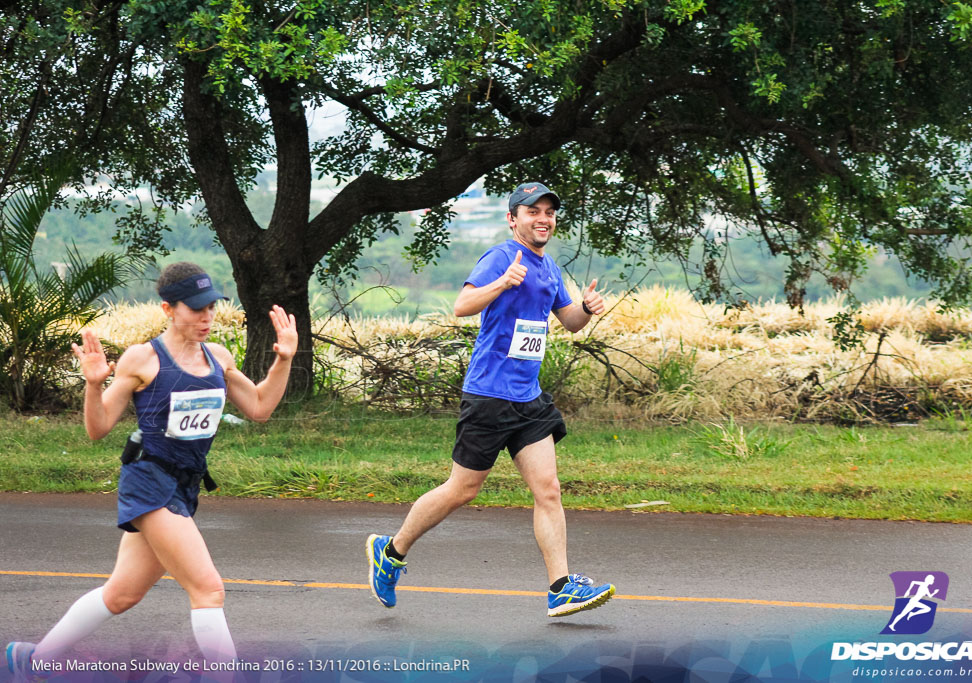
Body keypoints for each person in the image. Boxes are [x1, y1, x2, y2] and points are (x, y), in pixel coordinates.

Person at [6, 262, 297, 676]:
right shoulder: (143, 359)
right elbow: (98, 427)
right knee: (208, 590)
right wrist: (93, 385)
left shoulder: (218, 357)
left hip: (184, 486)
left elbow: (260, 407)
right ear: (167, 309)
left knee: (122, 594)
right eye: (195, 309)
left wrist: (283, 359)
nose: (206, 317)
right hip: (149, 483)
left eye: (211, 307)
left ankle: (32, 661)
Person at [367, 182, 615, 617]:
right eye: (532, 211)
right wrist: (502, 282)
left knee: (549, 490)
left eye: (549, 212)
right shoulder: (502, 257)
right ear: (512, 219)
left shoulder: (549, 266)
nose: (543, 219)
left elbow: (570, 322)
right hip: (489, 396)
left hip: (528, 398)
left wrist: (587, 309)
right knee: (462, 488)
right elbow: (462, 305)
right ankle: (391, 551)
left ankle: (560, 587)